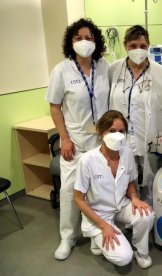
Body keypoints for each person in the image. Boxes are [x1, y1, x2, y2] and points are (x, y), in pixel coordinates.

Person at [45, 18, 110, 260]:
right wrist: (64, 138)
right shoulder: (61, 70)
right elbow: (55, 107)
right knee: (70, 190)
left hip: (100, 142)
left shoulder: (104, 66)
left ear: (96, 41)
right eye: (78, 38)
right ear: (70, 42)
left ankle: (94, 233)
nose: (84, 42)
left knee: (97, 189)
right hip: (74, 141)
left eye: (89, 37)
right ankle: (67, 237)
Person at [109, 25, 162, 206]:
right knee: (122, 179)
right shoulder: (113, 69)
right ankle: (129, 219)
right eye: (133, 46)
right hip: (120, 138)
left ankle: (149, 220)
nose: (138, 50)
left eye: (143, 45)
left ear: (148, 46)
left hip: (147, 137)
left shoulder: (159, 71)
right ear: (125, 46)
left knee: (150, 182)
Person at [73, 110, 154, 268]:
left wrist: (135, 198)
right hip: (99, 213)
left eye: (121, 131)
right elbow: (78, 199)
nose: (117, 135)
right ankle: (97, 238)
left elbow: (131, 180)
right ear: (101, 131)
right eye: (112, 131)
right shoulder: (87, 160)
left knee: (147, 215)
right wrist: (104, 225)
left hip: (120, 205)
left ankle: (140, 250)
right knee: (124, 258)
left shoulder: (127, 154)